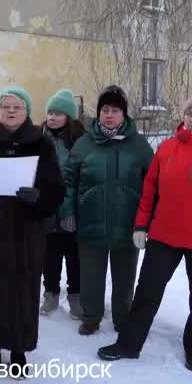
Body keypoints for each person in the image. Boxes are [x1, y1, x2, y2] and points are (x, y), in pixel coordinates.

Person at [96, 92, 192, 374]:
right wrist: (141, 225)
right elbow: (150, 191)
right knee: (146, 293)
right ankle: (128, 344)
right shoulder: (167, 148)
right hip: (164, 236)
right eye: (189, 113)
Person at [0, 86, 65, 380]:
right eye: (5, 106)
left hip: (26, 232)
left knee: (23, 291)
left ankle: (18, 352)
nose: (10, 111)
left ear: (27, 111)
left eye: (17, 107)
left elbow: (57, 189)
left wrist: (39, 197)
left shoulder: (42, 145)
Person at [61, 86, 153, 336]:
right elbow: (69, 181)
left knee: (125, 276)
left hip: (127, 223)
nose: (109, 114)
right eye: (105, 110)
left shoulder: (139, 145)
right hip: (90, 221)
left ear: (124, 114)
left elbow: (153, 184)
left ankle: (123, 317)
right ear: (98, 113)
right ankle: (91, 317)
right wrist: (67, 211)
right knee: (91, 274)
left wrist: (147, 222)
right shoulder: (84, 144)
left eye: (115, 110)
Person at [39, 89, 86, 318]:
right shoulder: (39, 137)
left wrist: (70, 210)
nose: (52, 117)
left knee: (74, 254)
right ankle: (50, 294)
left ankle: (76, 297)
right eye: (49, 112)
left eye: (58, 113)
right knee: (50, 254)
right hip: (46, 207)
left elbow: (77, 177)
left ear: (68, 117)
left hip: (72, 207)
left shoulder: (80, 141)